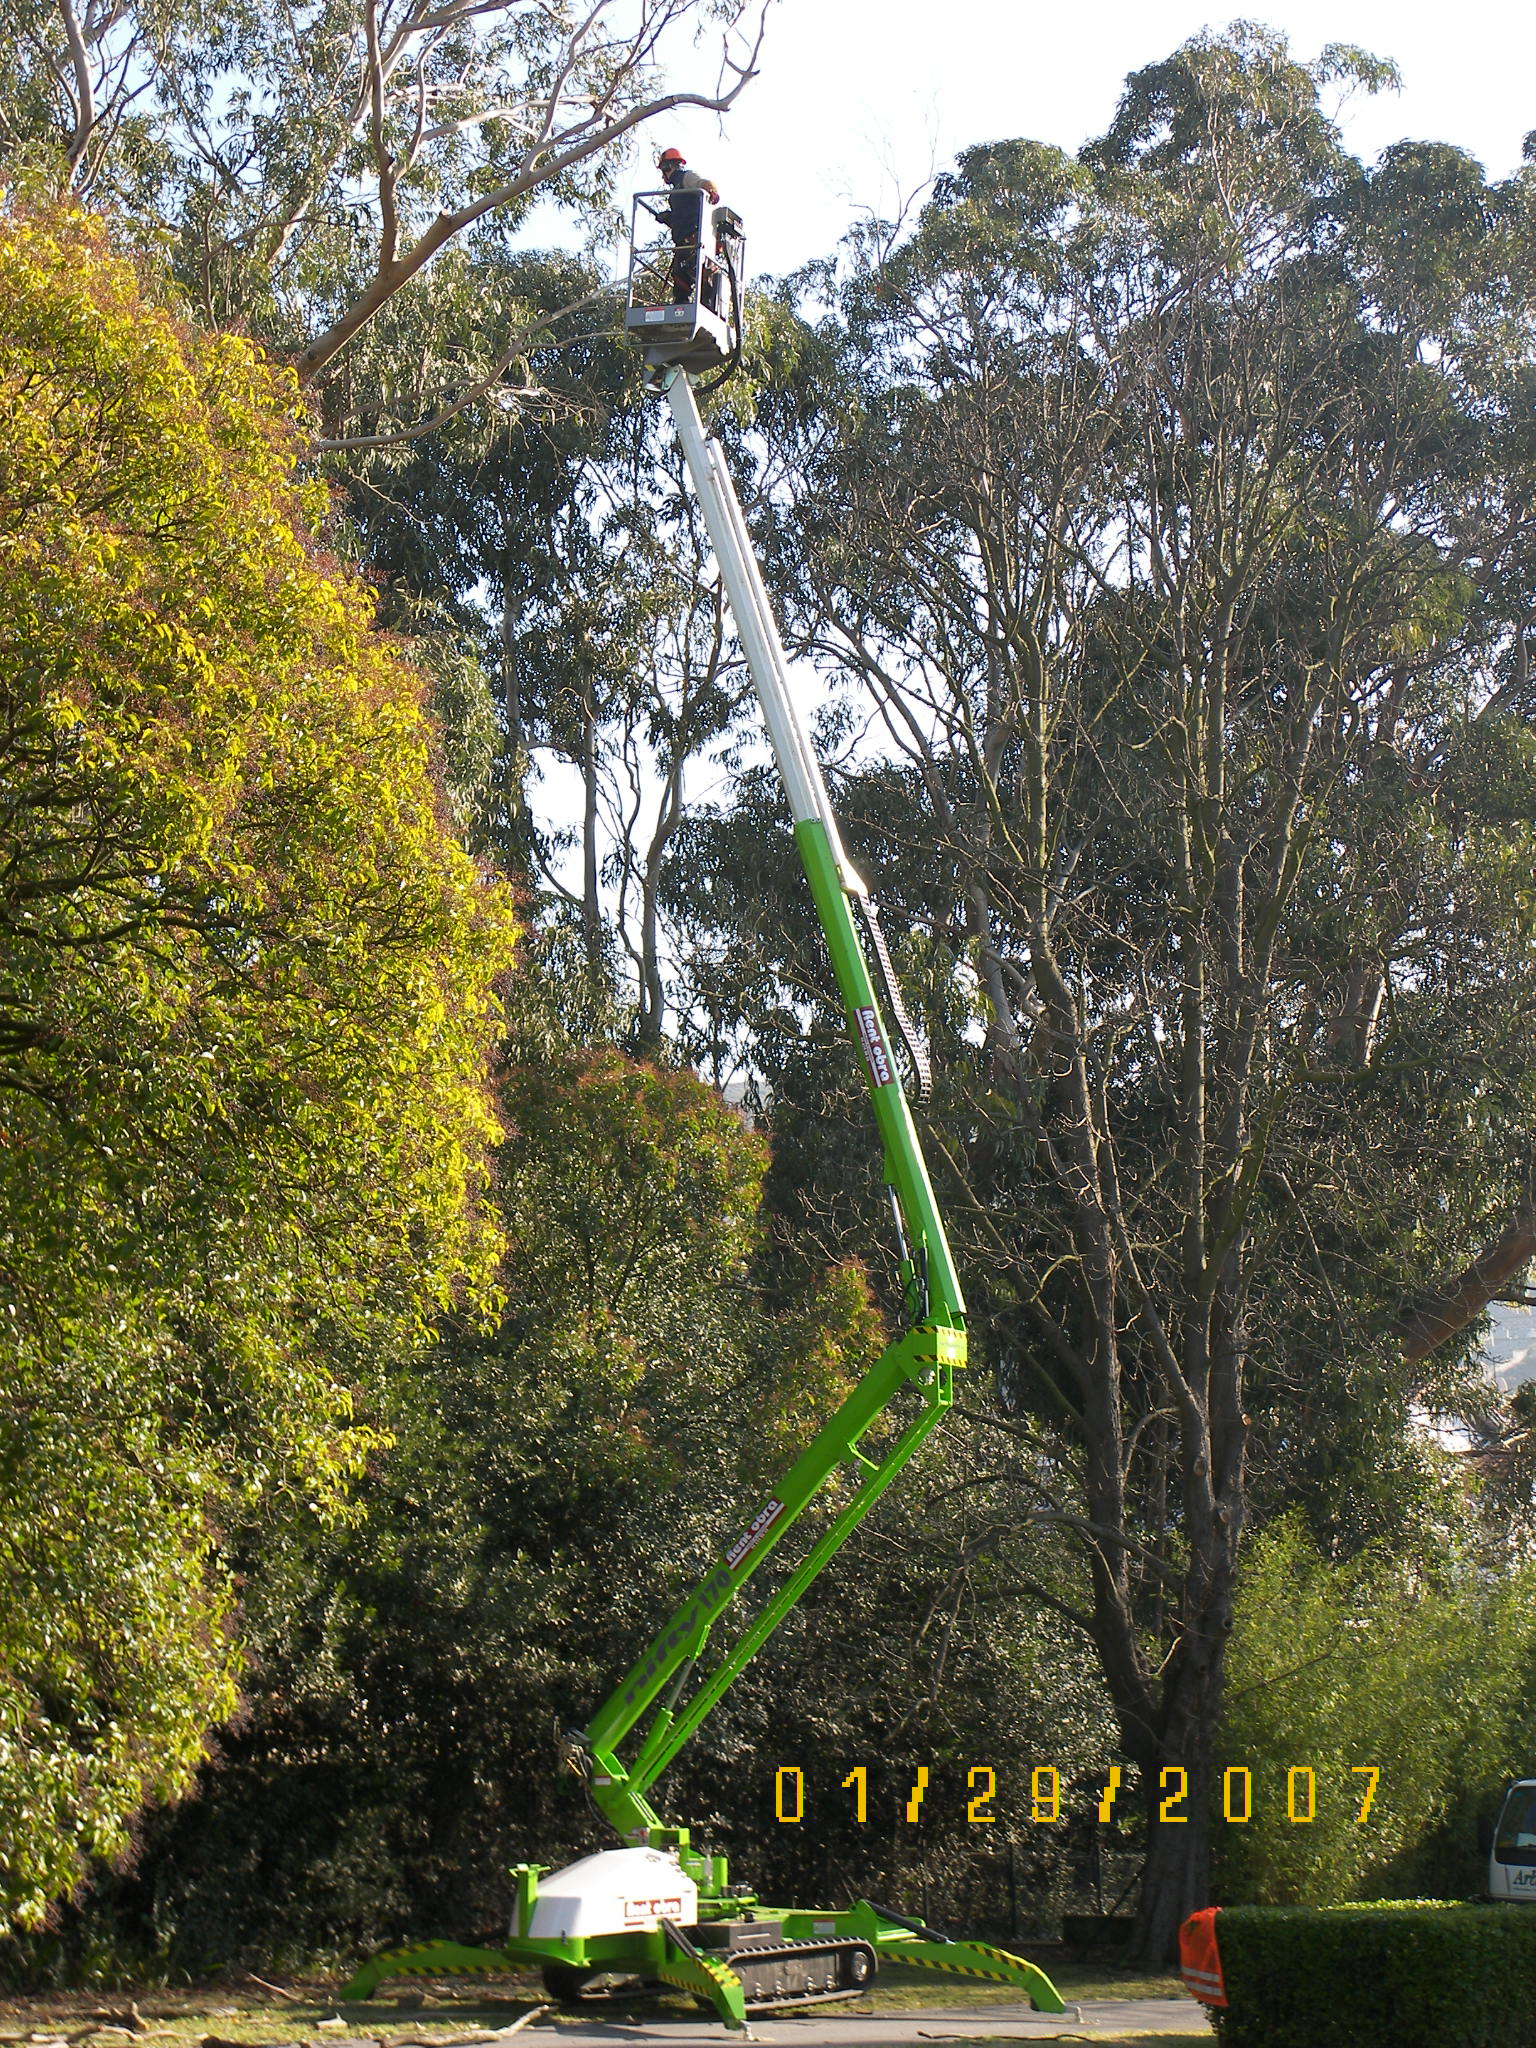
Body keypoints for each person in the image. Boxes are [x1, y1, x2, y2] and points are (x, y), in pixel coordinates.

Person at [656, 147, 720, 305]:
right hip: (684, 243)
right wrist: (669, 218)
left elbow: (703, 183)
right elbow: (684, 216)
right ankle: (680, 308)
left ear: (667, 167)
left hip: (694, 239)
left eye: (663, 169)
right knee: (681, 280)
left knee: (702, 278)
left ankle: (707, 307)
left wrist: (711, 191)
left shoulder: (685, 177)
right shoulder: (677, 191)